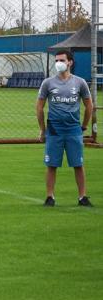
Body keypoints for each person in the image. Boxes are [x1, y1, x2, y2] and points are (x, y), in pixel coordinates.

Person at [36, 50, 93, 207]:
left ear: (70, 62)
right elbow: (39, 108)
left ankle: (82, 197)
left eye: (61, 60)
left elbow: (89, 105)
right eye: (56, 60)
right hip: (54, 129)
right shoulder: (47, 83)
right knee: (52, 164)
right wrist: (43, 129)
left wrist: (84, 125)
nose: (58, 63)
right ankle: (49, 197)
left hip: (74, 129)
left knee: (78, 164)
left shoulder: (80, 82)